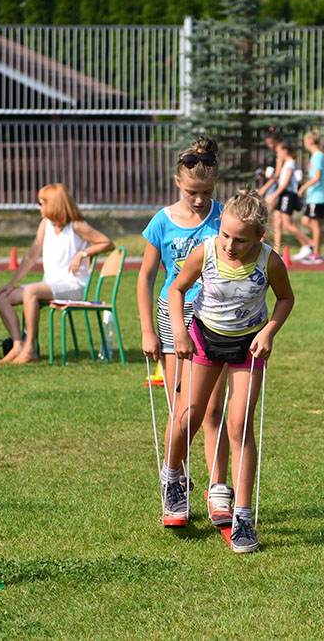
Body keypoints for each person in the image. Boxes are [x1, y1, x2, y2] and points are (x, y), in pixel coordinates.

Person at [167, 192, 295, 553]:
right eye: (225, 235)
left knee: (239, 424)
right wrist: (179, 331)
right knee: (191, 416)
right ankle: (173, 477)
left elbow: (286, 298)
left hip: (248, 345)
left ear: (259, 237)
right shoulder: (206, 252)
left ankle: (242, 517)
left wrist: (269, 331)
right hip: (204, 339)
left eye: (240, 239)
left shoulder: (270, 262)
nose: (230, 245)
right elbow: (177, 290)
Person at [137, 136, 232, 524]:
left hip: (214, 318)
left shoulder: (224, 217)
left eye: (207, 191)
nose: (199, 199)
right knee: (184, 411)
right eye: (193, 191)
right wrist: (147, 331)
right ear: (178, 183)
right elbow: (144, 277)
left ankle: (218, 489)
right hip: (171, 315)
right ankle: (173, 478)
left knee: (212, 409)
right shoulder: (162, 221)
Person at [0, 183, 114, 364]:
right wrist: (11, 284)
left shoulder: (77, 226)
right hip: (50, 284)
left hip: (74, 285)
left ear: (54, 204)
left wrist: (82, 254)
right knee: (2, 296)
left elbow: (107, 243)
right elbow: (31, 256)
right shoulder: (46, 225)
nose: (39, 207)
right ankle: (18, 344)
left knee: (31, 292)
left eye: (42, 203)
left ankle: (30, 349)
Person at [297, 131, 324, 262]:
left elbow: (317, 177)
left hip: (318, 196)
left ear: (310, 141)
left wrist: (304, 187)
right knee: (305, 221)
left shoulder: (318, 156)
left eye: (305, 141)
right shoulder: (314, 156)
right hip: (312, 196)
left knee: (315, 223)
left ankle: (316, 253)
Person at [269, 141, 313, 255]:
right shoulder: (285, 164)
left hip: (287, 195)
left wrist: (274, 195)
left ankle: (309, 242)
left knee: (287, 224)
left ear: (285, 151)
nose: (277, 155)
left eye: (279, 152)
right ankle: (277, 250)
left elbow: (285, 183)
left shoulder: (290, 164)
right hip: (283, 195)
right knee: (277, 221)